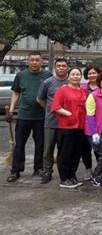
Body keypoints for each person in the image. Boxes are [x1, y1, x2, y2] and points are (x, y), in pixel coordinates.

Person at [6, 52, 52, 182]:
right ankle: (16, 170)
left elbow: (51, 95)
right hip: (24, 115)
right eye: (32, 60)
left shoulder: (48, 76)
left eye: (37, 60)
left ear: (42, 61)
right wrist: (11, 110)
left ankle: (38, 168)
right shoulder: (21, 75)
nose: (35, 62)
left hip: (42, 116)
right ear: (28, 61)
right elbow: (16, 93)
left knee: (40, 144)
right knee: (19, 144)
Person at [50, 68, 87, 188]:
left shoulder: (82, 91)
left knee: (76, 153)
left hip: (80, 126)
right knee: (65, 153)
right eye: (73, 74)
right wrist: (69, 114)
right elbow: (56, 107)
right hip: (66, 126)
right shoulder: (62, 90)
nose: (75, 76)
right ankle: (64, 178)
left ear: (81, 77)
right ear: (68, 76)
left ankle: (72, 176)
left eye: (78, 74)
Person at [36, 58, 69, 184]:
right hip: (51, 122)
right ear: (55, 68)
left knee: (64, 150)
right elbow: (40, 99)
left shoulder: (71, 82)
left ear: (67, 68)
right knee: (48, 149)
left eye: (64, 66)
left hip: (66, 123)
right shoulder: (47, 82)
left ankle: (64, 172)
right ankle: (47, 172)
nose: (61, 68)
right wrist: (49, 110)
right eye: (59, 66)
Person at [79, 65, 101, 181]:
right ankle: (88, 169)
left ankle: (99, 169)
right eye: (90, 73)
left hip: (99, 122)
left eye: (94, 73)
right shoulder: (82, 89)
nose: (92, 75)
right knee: (85, 148)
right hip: (85, 122)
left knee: (98, 148)